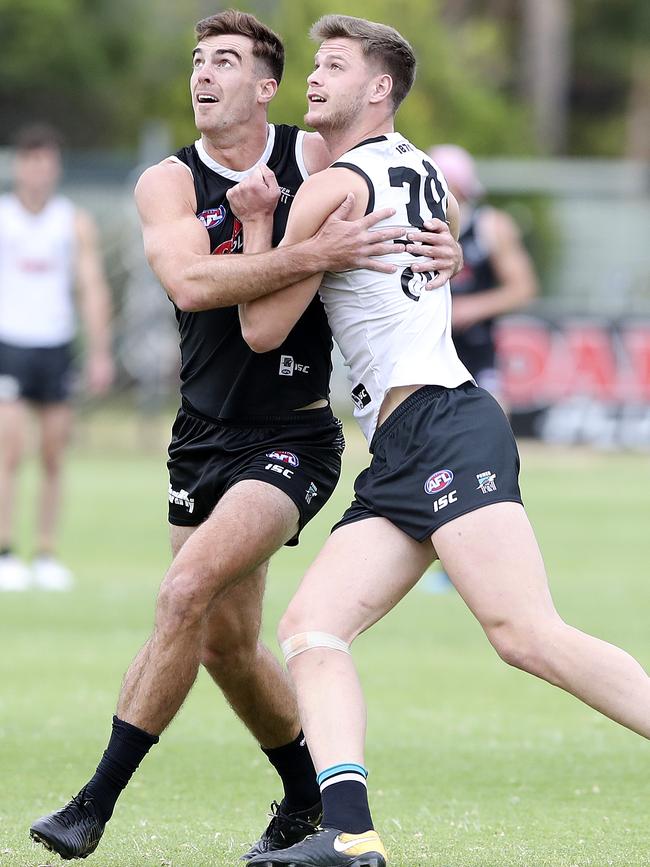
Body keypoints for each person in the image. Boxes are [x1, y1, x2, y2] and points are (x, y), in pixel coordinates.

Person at [29, 11, 461, 862]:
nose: (202, 74)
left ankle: (93, 805)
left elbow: (402, 214)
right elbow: (191, 284)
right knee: (227, 642)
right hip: (200, 435)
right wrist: (305, 251)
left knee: (183, 591)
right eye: (196, 60)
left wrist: (444, 246)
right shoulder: (168, 181)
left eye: (224, 61)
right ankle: (306, 793)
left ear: (266, 87)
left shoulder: (319, 157)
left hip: (293, 437)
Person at [226, 15, 650, 867]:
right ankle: (350, 832)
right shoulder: (420, 166)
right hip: (407, 443)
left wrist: (259, 226)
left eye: (334, 67)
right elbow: (439, 245)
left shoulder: (332, 187)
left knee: (526, 633)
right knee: (312, 629)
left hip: (442, 425)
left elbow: (264, 327)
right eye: (316, 64)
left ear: (378, 89)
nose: (314, 78)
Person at [0, 123, 114, 592]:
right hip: (9, 344)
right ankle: (5, 552)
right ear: (19, 166)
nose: (38, 173)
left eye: (46, 163)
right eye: (31, 163)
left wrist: (100, 350)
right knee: (9, 451)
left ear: (56, 169)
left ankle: (45, 553)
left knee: (52, 452)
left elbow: (90, 287)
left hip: (55, 346)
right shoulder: (3, 217)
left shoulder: (73, 222)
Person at [428, 143, 538, 408]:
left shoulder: (490, 225)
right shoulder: (413, 224)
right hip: (427, 348)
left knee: (492, 417)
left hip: (476, 348)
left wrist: (469, 309)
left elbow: (523, 288)